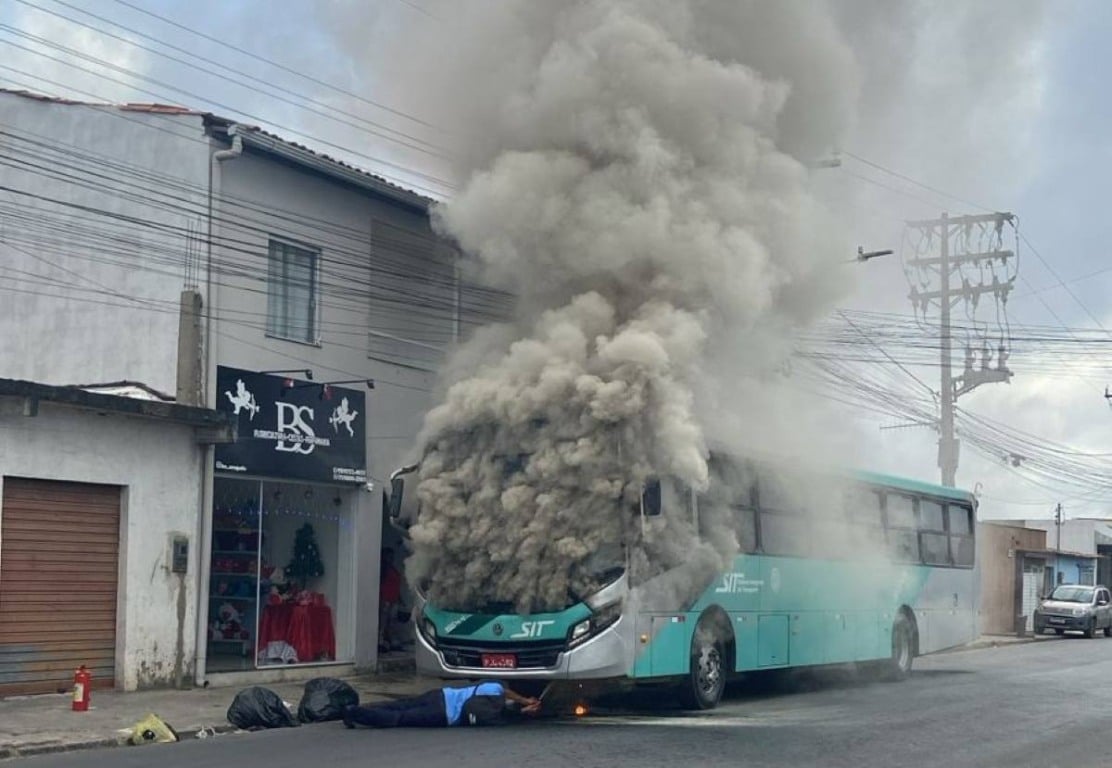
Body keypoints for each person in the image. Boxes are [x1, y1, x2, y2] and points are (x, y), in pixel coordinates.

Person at [342, 680, 541, 729]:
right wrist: (524, 709)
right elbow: (509, 715)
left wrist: (524, 700)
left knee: (400, 705)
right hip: (442, 715)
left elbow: (502, 689)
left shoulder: (490, 690)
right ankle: (356, 713)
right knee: (399, 718)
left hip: (440, 695)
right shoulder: (496, 715)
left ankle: (358, 710)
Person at [379, 548, 402, 653]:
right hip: (386, 600)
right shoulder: (383, 570)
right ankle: (380, 642)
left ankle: (391, 642)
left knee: (392, 622)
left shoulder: (393, 569)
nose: (391, 558)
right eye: (389, 556)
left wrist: (400, 599)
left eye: (392, 556)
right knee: (383, 623)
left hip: (394, 600)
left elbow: (396, 585)